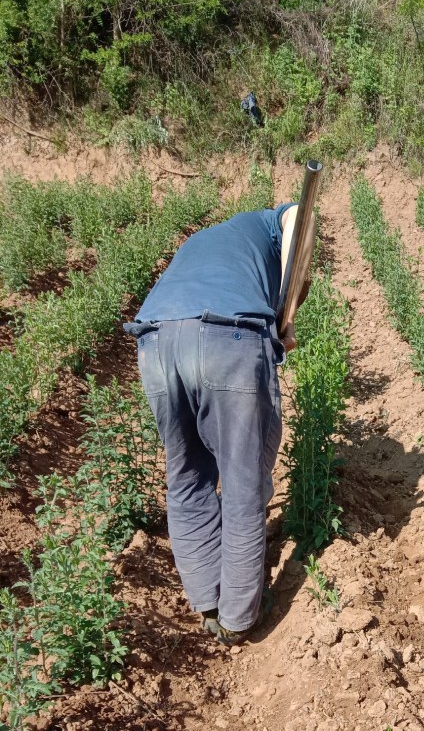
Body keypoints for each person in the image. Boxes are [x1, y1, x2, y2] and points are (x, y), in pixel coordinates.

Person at [124, 202, 309, 646]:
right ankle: (238, 618)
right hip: (229, 336)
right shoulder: (274, 221)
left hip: (155, 340)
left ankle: (207, 600)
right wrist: (287, 313)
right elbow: (301, 215)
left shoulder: (209, 239)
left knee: (186, 477)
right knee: (243, 481)